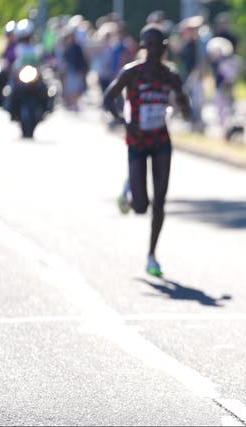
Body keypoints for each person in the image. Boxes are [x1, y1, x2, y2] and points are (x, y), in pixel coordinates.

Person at [103, 23, 190, 277]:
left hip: (161, 141)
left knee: (160, 201)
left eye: (158, 45)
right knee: (141, 206)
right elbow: (108, 98)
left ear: (164, 48)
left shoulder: (170, 75)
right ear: (143, 47)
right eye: (148, 45)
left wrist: (184, 104)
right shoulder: (132, 72)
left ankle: (152, 255)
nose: (153, 50)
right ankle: (130, 187)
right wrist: (122, 121)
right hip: (137, 141)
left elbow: (186, 108)